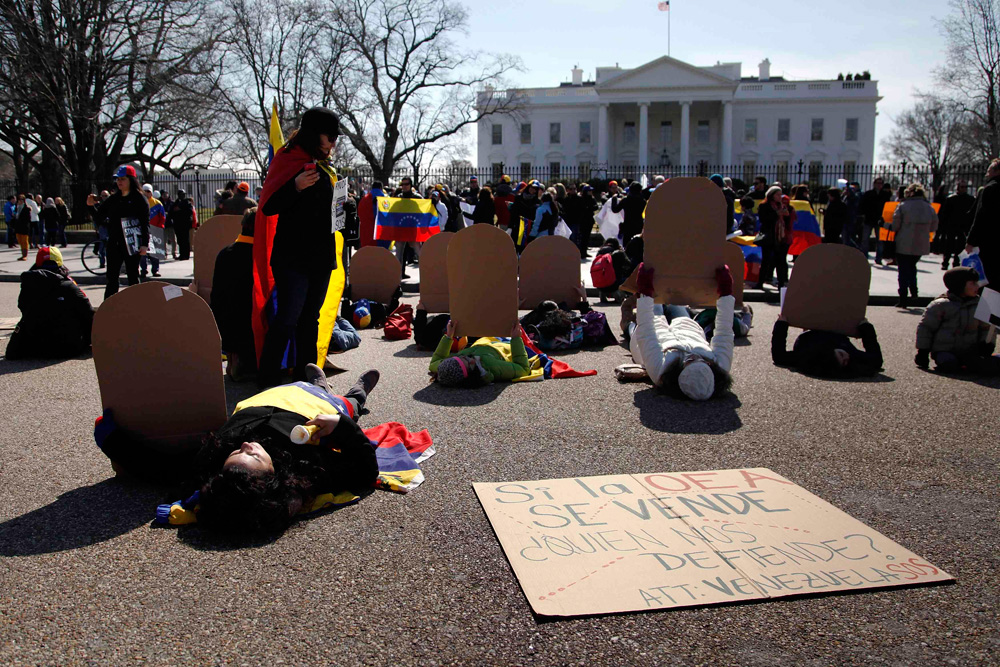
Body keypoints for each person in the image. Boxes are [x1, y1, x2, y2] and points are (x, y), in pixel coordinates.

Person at [257, 106, 341, 386]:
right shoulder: (289, 158)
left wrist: (345, 206)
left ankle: (307, 379)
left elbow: (329, 213)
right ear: (316, 135)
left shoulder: (326, 167)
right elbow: (268, 206)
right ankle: (267, 377)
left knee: (310, 320)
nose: (333, 143)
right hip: (292, 257)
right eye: (331, 137)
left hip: (321, 255)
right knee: (288, 319)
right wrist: (294, 186)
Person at [625, 264, 735, 400]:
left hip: (653, 330)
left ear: (678, 372)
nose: (694, 356)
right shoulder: (721, 368)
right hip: (686, 327)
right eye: (703, 361)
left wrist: (645, 293)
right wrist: (725, 294)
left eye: (689, 361)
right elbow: (724, 332)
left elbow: (646, 331)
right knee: (673, 297)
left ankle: (627, 320)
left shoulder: (660, 372)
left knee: (654, 300)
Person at [5, 246, 95, 359]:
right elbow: (88, 313)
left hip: (34, 344)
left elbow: (23, 307)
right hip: (67, 347)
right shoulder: (68, 285)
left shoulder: (28, 285)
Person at [915, 267, 998, 374]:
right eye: (973, 283)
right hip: (945, 350)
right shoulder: (941, 305)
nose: (977, 286)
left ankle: (973, 364)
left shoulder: (980, 305)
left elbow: (987, 328)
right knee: (949, 364)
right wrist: (923, 351)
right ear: (959, 285)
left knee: (986, 366)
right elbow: (926, 328)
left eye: (977, 283)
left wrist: (987, 344)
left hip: (970, 351)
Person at [211, 208, 257, 381]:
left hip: (224, 318)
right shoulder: (257, 256)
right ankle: (240, 360)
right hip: (247, 320)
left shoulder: (224, 253)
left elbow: (217, 292)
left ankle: (232, 356)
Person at [771, 314, 883, 377]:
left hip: (811, 334)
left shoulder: (806, 356)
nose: (847, 357)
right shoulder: (852, 357)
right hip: (837, 331)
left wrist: (781, 324)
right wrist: (866, 328)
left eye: (841, 356)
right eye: (846, 361)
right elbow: (876, 360)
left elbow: (779, 356)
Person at [429, 320, 531, 386]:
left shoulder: (446, 368)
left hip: (483, 341)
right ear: (470, 376)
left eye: (463, 357)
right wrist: (516, 339)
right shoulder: (493, 367)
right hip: (505, 342)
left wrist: (448, 336)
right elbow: (523, 368)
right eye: (469, 362)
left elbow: (435, 361)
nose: (468, 358)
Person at [102, 166, 150, 298]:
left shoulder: (139, 199)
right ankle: (109, 308)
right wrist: (90, 207)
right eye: (118, 179)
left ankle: (137, 307)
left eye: (123, 179)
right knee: (112, 278)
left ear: (131, 180)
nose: (119, 182)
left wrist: (145, 244)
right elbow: (99, 217)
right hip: (114, 243)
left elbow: (145, 223)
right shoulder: (114, 199)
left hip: (131, 243)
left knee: (133, 277)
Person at [891, 183, 939, 308]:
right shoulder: (929, 207)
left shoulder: (903, 206)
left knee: (903, 270)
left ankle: (903, 297)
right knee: (912, 266)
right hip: (921, 243)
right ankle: (914, 291)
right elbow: (934, 227)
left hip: (904, 241)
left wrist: (884, 225)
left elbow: (895, 226)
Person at [965, 158, 1000, 287]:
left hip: (990, 241)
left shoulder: (990, 189)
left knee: (989, 277)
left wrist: (971, 240)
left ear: (997, 172)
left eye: (989, 170)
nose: (986, 174)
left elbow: (981, 217)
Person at [937, 180, 975, 270]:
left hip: (963, 225)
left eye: (966, 187)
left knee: (961, 245)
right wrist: (943, 225)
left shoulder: (970, 199)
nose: (964, 189)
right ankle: (945, 262)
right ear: (958, 188)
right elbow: (945, 214)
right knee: (949, 244)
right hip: (952, 224)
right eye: (962, 187)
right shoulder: (951, 199)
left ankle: (957, 262)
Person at [755, 186, 787, 290]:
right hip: (769, 236)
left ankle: (781, 284)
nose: (779, 197)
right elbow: (764, 219)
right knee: (766, 261)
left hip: (779, 237)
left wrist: (786, 214)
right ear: (771, 195)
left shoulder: (781, 205)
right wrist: (776, 214)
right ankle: (760, 283)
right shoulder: (764, 206)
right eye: (777, 194)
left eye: (780, 194)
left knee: (780, 261)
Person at [860, 177, 888, 263]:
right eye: (878, 183)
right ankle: (864, 257)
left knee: (880, 241)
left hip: (880, 220)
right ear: (874, 184)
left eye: (881, 183)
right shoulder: (868, 194)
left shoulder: (885, 195)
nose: (879, 185)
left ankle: (878, 258)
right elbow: (862, 205)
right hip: (869, 219)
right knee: (865, 240)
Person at [139, 184, 164, 278]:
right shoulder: (139, 203)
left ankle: (155, 270)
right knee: (143, 252)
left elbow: (162, 217)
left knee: (155, 252)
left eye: (148, 191)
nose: (146, 193)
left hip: (155, 230)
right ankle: (143, 270)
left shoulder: (157, 203)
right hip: (143, 231)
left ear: (151, 192)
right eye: (145, 191)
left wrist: (159, 228)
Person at [612, 182, 646, 248]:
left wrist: (614, 199)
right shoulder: (643, 201)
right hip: (639, 225)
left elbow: (615, 210)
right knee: (638, 245)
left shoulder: (626, 200)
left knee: (627, 245)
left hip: (628, 225)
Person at [13, 194, 31, 260]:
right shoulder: (16, 207)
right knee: (20, 240)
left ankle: (25, 255)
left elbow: (28, 218)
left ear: (24, 200)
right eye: (19, 200)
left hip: (24, 226)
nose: (20, 201)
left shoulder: (26, 208)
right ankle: (22, 254)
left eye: (21, 200)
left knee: (24, 241)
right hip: (18, 226)